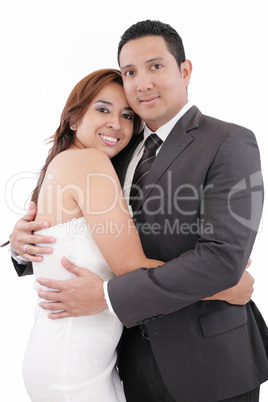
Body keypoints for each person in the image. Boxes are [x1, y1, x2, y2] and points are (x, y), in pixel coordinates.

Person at [10, 20, 268, 402]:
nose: (142, 82)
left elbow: (221, 258)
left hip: (209, 362)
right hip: (129, 362)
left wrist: (108, 296)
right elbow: (80, 233)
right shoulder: (112, 148)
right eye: (130, 72)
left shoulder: (229, 142)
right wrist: (21, 243)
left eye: (155, 66)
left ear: (185, 71)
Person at [19, 68, 169, 401]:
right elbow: (132, 267)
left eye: (127, 114)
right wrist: (221, 282)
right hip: (72, 364)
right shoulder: (89, 162)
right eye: (103, 109)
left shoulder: (68, 162)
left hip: (71, 355)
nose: (117, 123)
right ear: (73, 120)